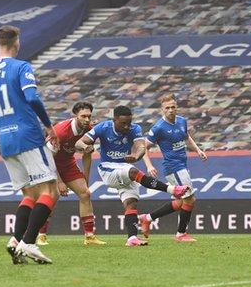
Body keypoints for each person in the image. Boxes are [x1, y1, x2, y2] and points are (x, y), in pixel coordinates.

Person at [0, 25, 60, 264]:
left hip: (5, 141)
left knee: (29, 194)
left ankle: (15, 241)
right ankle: (29, 243)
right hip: (28, 135)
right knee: (50, 191)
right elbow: (32, 97)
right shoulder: (21, 67)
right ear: (17, 43)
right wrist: (48, 126)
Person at [74, 105, 190, 246]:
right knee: (133, 172)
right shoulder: (103, 128)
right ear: (114, 120)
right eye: (123, 123)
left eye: (129, 122)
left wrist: (136, 156)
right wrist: (85, 147)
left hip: (125, 167)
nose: (127, 126)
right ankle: (172, 189)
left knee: (131, 203)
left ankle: (132, 238)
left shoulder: (135, 129)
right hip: (108, 168)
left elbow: (141, 146)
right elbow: (79, 142)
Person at [37, 101, 106, 246]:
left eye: (89, 116)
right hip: (48, 165)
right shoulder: (61, 132)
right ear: (75, 115)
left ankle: (89, 237)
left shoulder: (89, 130)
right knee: (51, 196)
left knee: (85, 193)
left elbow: (87, 154)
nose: (87, 120)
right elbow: (48, 159)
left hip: (68, 164)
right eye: (83, 116)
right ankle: (40, 235)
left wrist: (85, 179)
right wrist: (60, 182)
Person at [141, 94, 207, 242]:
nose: (171, 110)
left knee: (179, 202)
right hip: (173, 167)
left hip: (182, 165)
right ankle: (181, 234)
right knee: (190, 200)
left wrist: (198, 150)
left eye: (173, 107)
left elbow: (186, 137)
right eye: (167, 108)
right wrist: (149, 165)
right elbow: (143, 147)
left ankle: (147, 218)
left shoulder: (182, 121)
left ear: (176, 107)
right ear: (162, 110)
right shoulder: (158, 128)